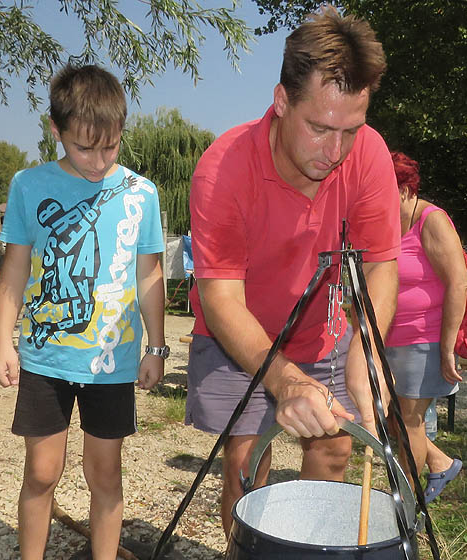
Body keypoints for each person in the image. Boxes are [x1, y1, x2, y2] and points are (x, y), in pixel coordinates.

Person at [186, 7, 400, 538]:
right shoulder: (224, 170)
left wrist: (365, 355)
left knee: (334, 450)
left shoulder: (368, 154)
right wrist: (286, 382)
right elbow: (221, 299)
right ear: (282, 102)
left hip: (319, 329)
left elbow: (381, 268)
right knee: (245, 467)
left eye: (350, 130)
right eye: (320, 128)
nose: (335, 152)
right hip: (238, 333)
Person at [0, 64, 167, 560]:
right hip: (46, 359)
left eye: (109, 147)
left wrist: (155, 345)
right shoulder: (29, 185)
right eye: (83, 147)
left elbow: (149, 274)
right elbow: (15, 270)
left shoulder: (141, 194)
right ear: (56, 131)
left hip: (111, 361)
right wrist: (4, 341)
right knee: (42, 471)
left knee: (105, 475)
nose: (96, 161)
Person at [384, 151, 465, 502]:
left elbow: (459, 283)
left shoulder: (432, 221)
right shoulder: (386, 223)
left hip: (424, 339)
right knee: (390, 419)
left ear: (405, 190)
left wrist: (447, 348)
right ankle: (440, 463)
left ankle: (403, 506)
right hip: (388, 338)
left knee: (408, 423)